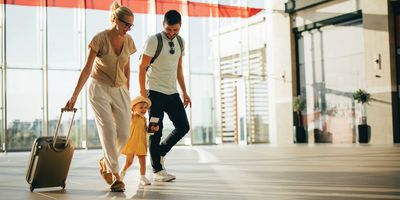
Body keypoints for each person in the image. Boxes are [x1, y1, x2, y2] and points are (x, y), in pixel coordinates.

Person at [64, 1, 136, 192]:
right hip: (99, 89)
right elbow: (87, 69)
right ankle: (115, 175)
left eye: (131, 25)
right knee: (108, 133)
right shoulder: (99, 39)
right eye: (126, 24)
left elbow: (127, 68)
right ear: (115, 20)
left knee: (124, 133)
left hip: (120, 89)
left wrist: (127, 92)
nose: (129, 28)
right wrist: (74, 97)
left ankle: (106, 162)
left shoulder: (128, 41)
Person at [138, 10, 191, 182]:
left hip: (172, 91)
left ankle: (160, 152)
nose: (172, 33)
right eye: (169, 29)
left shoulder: (181, 42)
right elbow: (141, 67)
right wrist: (142, 93)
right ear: (163, 25)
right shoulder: (154, 40)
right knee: (155, 130)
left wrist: (184, 91)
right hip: (154, 92)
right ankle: (157, 170)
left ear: (180, 27)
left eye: (175, 30)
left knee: (183, 126)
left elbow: (179, 69)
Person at [119, 96, 159, 186]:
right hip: (132, 141)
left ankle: (142, 177)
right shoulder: (132, 116)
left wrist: (153, 128)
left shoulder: (144, 119)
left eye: (145, 107)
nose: (144, 109)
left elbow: (146, 130)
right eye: (141, 107)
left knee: (142, 160)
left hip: (141, 142)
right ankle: (123, 171)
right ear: (133, 108)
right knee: (129, 162)